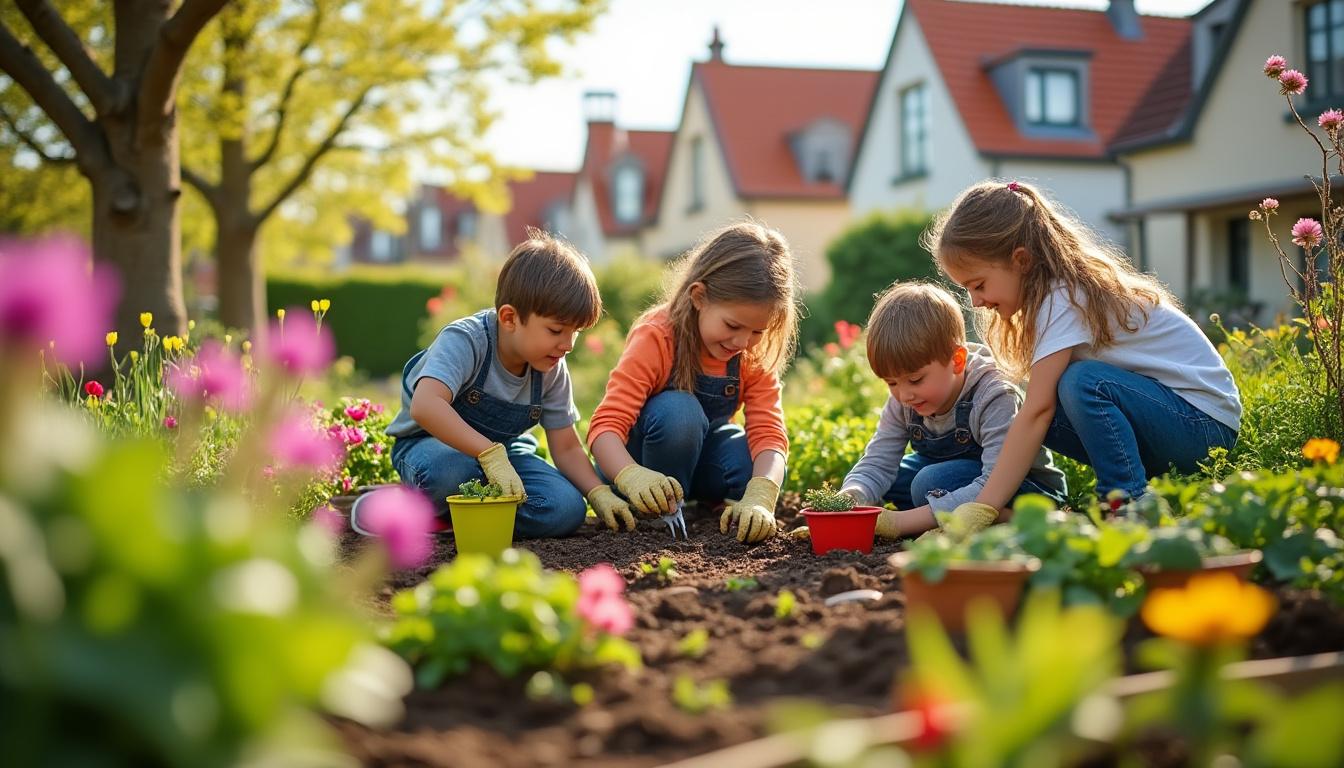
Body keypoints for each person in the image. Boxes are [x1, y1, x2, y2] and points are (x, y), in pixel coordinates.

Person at [925, 180, 1240, 514]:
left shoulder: (1063, 296)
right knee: (1036, 406)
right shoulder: (1046, 299)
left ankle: (1126, 502)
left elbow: (1038, 412)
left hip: (1203, 426)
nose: (975, 301)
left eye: (979, 285)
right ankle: (1029, 501)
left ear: (1020, 260)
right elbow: (1035, 416)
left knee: (1080, 383)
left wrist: (983, 506)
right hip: (1167, 423)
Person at [373, 229, 635, 539]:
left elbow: (564, 446)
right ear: (510, 318)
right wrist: (488, 454)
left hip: (508, 457)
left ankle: (457, 517)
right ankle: (402, 507)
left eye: (575, 332)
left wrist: (597, 493)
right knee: (452, 473)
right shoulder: (466, 341)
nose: (568, 345)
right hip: (430, 449)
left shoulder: (551, 365)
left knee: (566, 508)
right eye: (555, 330)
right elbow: (425, 405)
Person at [588, 222, 799, 543]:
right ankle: (653, 508)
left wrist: (762, 495)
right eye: (732, 325)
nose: (743, 341)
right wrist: (630, 476)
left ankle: (690, 499)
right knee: (680, 412)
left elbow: (769, 433)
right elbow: (605, 427)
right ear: (699, 297)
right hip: (641, 462)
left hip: (697, 457)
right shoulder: (657, 336)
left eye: (757, 331)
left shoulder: (752, 354)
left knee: (752, 463)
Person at [839, 281, 1066, 538]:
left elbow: (996, 479)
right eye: (891, 383)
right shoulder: (904, 400)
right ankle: (939, 517)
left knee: (928, 482)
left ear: (957, 361)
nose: (903, 395)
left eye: (915, 380)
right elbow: (878, 461)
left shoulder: (994, 394)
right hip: (952, 477)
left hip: (1021, 489)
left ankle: (1012, 520)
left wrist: (900, 523)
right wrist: (851, 497)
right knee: (894, 478)